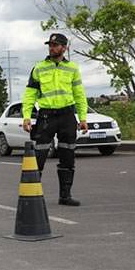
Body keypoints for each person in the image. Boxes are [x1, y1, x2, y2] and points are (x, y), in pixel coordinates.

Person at [21, 33, 88, 206]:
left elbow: (79, 95)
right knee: (39, 156)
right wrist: (26, 116)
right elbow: (30, 94)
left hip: (67, 116)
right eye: (50, 45)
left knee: (68, 156)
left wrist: (83, 118)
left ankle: (65, 196)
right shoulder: (39, 68)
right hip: (46, 116)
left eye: (55, 45)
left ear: (64, 48)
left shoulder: (72, 68)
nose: (52, 48)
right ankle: (33, 196)